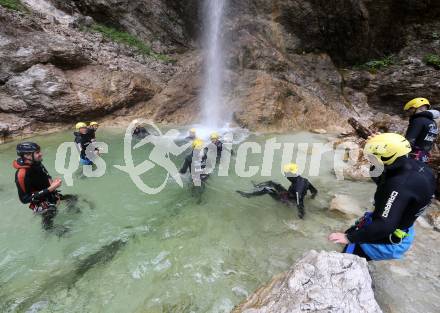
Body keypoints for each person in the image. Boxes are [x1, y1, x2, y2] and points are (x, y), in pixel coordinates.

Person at [329, 133, 436, 261]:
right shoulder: (418, 167)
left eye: (372, 157)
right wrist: (380, 143)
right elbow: (378, 176)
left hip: (390, 238)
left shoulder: (398, 185)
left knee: (347, 259)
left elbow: (384, 226)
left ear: (386, 158)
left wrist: (349, 238)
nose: (370, 160)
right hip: (404, 227)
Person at [236, 163, 318, 219]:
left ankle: (248, 195)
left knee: (267, 189)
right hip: (289, 194)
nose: (285, 176)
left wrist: (301, 218)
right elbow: (314, 191)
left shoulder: (297, 190)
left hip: (289, 201)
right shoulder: (304, 180)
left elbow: (300, 204)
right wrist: (311, 198)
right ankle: (257, 186)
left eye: (286, 174)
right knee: (273, 182)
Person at [13, 142, 62, 230]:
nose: (41, 154)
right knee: (50, 227)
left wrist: (52, 184)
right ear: (27, 155)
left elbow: (46, 174)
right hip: (41, 203)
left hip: (50, 194)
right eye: (37, 152)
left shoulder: (37, 163)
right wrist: (50, 188)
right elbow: (24, 199)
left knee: (74, 199)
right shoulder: (21, 174)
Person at [403, 97, 439, 163]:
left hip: (414, 156)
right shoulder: (433, 122)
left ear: (415, 108)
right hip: (424, 156)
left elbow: (409, 140)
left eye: (409, 109)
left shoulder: (418, 120)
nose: (409, 113)